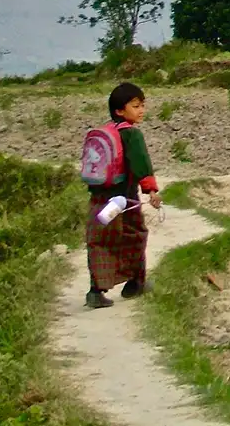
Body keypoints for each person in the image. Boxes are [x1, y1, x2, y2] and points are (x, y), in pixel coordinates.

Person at [86, 81, 162, 309]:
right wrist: (151, 191)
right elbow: (141, 165)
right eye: (136, 106)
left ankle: (95, 291)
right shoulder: (132, 135)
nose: (141, 110)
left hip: (100, 197)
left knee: (101, 240)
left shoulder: (106, 131)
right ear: (120, 110)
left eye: (142, 105)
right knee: (134, 235)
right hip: (124, 199)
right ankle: (135, 283)